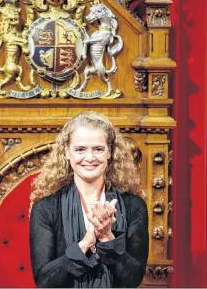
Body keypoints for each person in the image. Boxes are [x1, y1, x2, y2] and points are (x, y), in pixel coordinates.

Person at [29, 111, 149, 288]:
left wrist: (108, 239)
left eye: (98, 149)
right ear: (66, 152)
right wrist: (86, 243)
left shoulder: (134, 206)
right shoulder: (46, 208)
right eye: (80, 149)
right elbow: (45, 282)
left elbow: (132, 279)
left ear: (110, 152)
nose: (90, 158)